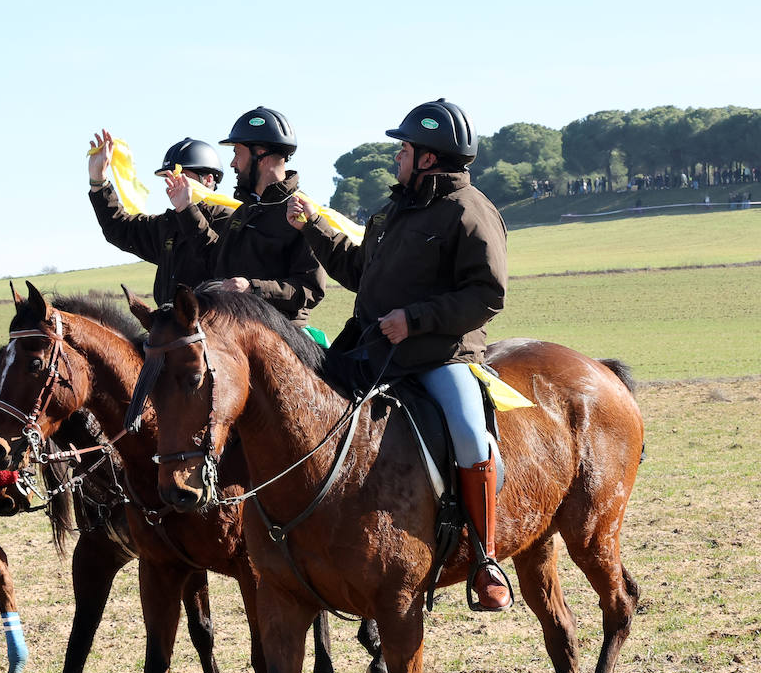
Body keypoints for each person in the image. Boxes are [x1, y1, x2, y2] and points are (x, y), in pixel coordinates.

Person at [286, 99, 512, 611]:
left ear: (428, 158)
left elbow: (487, 295)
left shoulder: (471, 211)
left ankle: (485, 556)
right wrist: (311, 228)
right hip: (368, 349)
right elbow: (357, 269)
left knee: (472, 437)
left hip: (438, 358)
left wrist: (414, 320)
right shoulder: (393, 211)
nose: (398, 157)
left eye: (404, 149)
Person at [167, 106, 326, 327]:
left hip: (280, 337)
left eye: (237, 153)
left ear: (261, 156)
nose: (232, 163)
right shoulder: (246, 210)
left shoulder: (302, 211)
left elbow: (310, 290)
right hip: (235, 331)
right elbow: (214, 260)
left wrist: (253, 288)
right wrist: (185, 208)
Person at [87, 131, 232, 305]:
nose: (172, 183)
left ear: (208, 180)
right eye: (168, 177)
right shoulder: (167, 224)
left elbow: (222, 261)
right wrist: (98, 180)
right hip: (167, 326)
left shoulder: (232, 220)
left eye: (180, 176)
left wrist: (187, 211)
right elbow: (119, 228)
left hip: (211, 328)